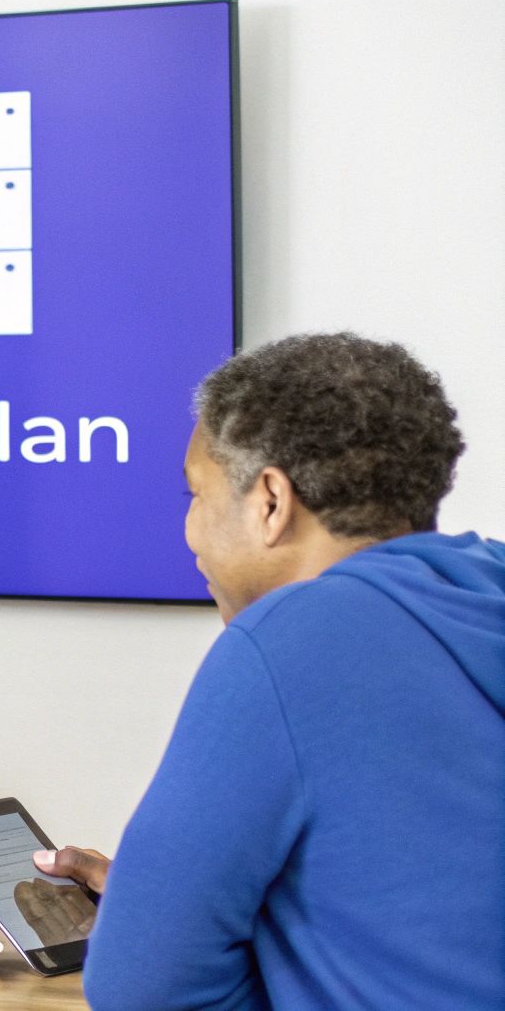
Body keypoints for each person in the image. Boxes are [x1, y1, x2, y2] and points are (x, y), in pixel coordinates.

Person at [33, 333, 504, 1009]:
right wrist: (164, 906)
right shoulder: (488, 591)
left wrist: (151, 931)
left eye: (197, 494)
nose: (190, 529)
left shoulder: (291, 637)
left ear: (272, 502)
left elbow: (141, 991)